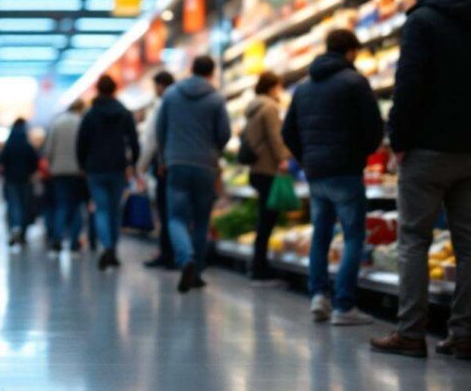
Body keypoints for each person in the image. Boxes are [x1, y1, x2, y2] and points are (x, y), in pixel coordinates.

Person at [371, 0, 471, 359]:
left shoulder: (421, 22)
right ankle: (464, 334)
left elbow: (409, 85)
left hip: (426, 151)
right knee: (469, 243)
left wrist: (398, 139)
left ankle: (411, 333)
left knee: (414, 240)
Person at [282, 29, 384, 326]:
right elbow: (374, 128)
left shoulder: (302, 88)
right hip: (346, 171)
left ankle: (318, 297)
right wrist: (360, 154)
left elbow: (287, 131)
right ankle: (344, 305)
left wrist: (307, 159)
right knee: (353, 236)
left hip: (316, 174)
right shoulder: (355, 82)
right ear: (350, 52)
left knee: (320, 235)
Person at [156, 55, 231, 293]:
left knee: (176, 218)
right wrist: (214, 151)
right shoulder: (216, 98)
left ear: (191, 69)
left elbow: (160, 129)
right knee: (201, 221)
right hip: (206, 165)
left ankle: (185, 257)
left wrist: (163, 157)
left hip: (176, 162)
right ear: (212, 72)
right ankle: (196, 270)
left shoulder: (171, 94)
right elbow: (225, 133)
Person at [77, 75, 139, 271]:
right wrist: (133, 163)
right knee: (115, 211)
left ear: (98, 90)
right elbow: (134, 141)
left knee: (101, 210)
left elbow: (81, 144)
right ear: (115, 90)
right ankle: (114, 250)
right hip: (118, 168)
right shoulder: (124, 113)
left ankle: (107, 247)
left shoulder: (90, 115)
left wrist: (83, 166)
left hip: (95, 169)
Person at [242, 71, 292, 284]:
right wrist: (283, 159)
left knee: (264, 217)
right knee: (267, 219)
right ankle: (259, 267)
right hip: (268, 168)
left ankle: (258, 264)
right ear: (272, 87)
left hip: (256, 170)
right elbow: (274, 136)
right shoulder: (270, 107)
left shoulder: (253, 108)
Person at [137, 71, 177, 270]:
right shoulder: (182, 103)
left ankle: (167, 253)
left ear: (160, 86)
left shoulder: (161, 105)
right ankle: (186, 255)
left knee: (166, 211)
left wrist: (141, 167)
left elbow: (152, 138)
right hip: (188, 163)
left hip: (164, 166)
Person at [43, 100, 86, 253]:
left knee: (61, 206)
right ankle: (74, 242)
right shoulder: (82, 122)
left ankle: (57, 239)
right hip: (77, 171)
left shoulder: (57, 123)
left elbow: (48, 150)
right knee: (76, 207)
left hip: (58, 171)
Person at [0, 118, 40, 248]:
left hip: (11, 179)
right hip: (25, 180)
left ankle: (14, 227)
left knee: (13, 204)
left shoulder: (9, 144)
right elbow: (34, 162)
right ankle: (22, 231)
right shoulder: (27, 144)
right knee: (24, 205)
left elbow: (1, 160)